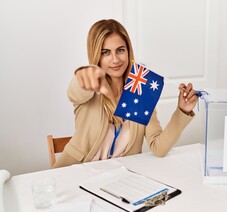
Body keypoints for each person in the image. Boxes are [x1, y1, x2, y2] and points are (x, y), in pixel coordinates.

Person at [53, 19, 198, 168]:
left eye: (120, 50)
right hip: (75, 174)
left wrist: (182, 111)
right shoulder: (90, 88)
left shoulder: (140, 91)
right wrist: (84, 74)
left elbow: (159, 148)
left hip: (121, 179)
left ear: (129, 52)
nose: (115, 60)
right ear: (96, 55)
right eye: (105, 52)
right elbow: (75, 92)